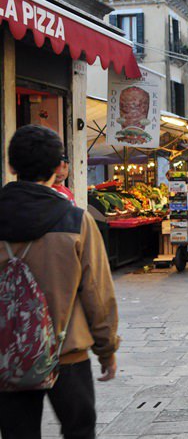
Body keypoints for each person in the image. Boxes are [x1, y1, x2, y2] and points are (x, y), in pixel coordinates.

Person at [0, 125, 119, 439]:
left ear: (11, 166)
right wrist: (107, 349)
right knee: (79, 430)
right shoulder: (77, 221)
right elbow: (98, 293)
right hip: (67, 353)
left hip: (7, 355)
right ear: (57, 169)